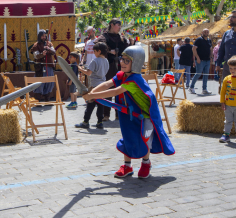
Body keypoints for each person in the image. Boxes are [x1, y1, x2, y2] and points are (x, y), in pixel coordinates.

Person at [83, 45, 175, 178]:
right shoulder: (122, 75)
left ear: (136, 62)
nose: (122, 63)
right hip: (131, 114)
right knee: (128, 137)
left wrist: (91, 96)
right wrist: (92, 91)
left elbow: (115, 91)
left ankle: (146, 163)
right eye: (122, 59)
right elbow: (108, 83)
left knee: (145, 140)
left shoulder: (134, 80)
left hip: (146, 116)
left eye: (127, 60)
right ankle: (127, 166)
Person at [94, 18, 129, 121]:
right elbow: (98, 45)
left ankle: (119, 114)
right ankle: (106, 114)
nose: (120, 27)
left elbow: (126, 50)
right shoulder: (104, 37)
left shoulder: (121, 38)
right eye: (118, 25)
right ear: (112, 25)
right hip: (109, 66)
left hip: (121, 67)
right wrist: (109, 51)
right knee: (108, 90)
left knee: (120, 90)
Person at [75, 42, 109, 129]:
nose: (94, 53)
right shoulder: (106, 61)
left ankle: (86, 122)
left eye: (94, 51)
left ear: (99, 51)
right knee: (100, 104)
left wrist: (80, 69)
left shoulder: (95, 61)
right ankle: (99, 122)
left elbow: (88, 73)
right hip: (103, 85)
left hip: (94, 86)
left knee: (90, 104)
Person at [30, 29, 56, 102]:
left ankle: (47, 99)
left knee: (49, 83)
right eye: (42, 36)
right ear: (39, 36)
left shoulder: (49, 44)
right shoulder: (36, 45)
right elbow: (35, 56)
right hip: (40, 67)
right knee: (39, 83)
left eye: (45, 36)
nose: (44, 37)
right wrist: (42, 54)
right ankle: (37, 99)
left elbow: (54, 52)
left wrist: (49, 49)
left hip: (49, 66)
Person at [189, 29, 212, 94]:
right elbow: (193, 49)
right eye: (205, 32)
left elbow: (211, 49)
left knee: (206, 75)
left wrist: (211, 57)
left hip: (207, 60)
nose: (206, 33)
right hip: (200, 60)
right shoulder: (199, 39)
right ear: (202, 32)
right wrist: (197, 58)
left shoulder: (209, 40)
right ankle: (191, 87)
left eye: (207, 32)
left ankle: (204, 89)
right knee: (198, 73)